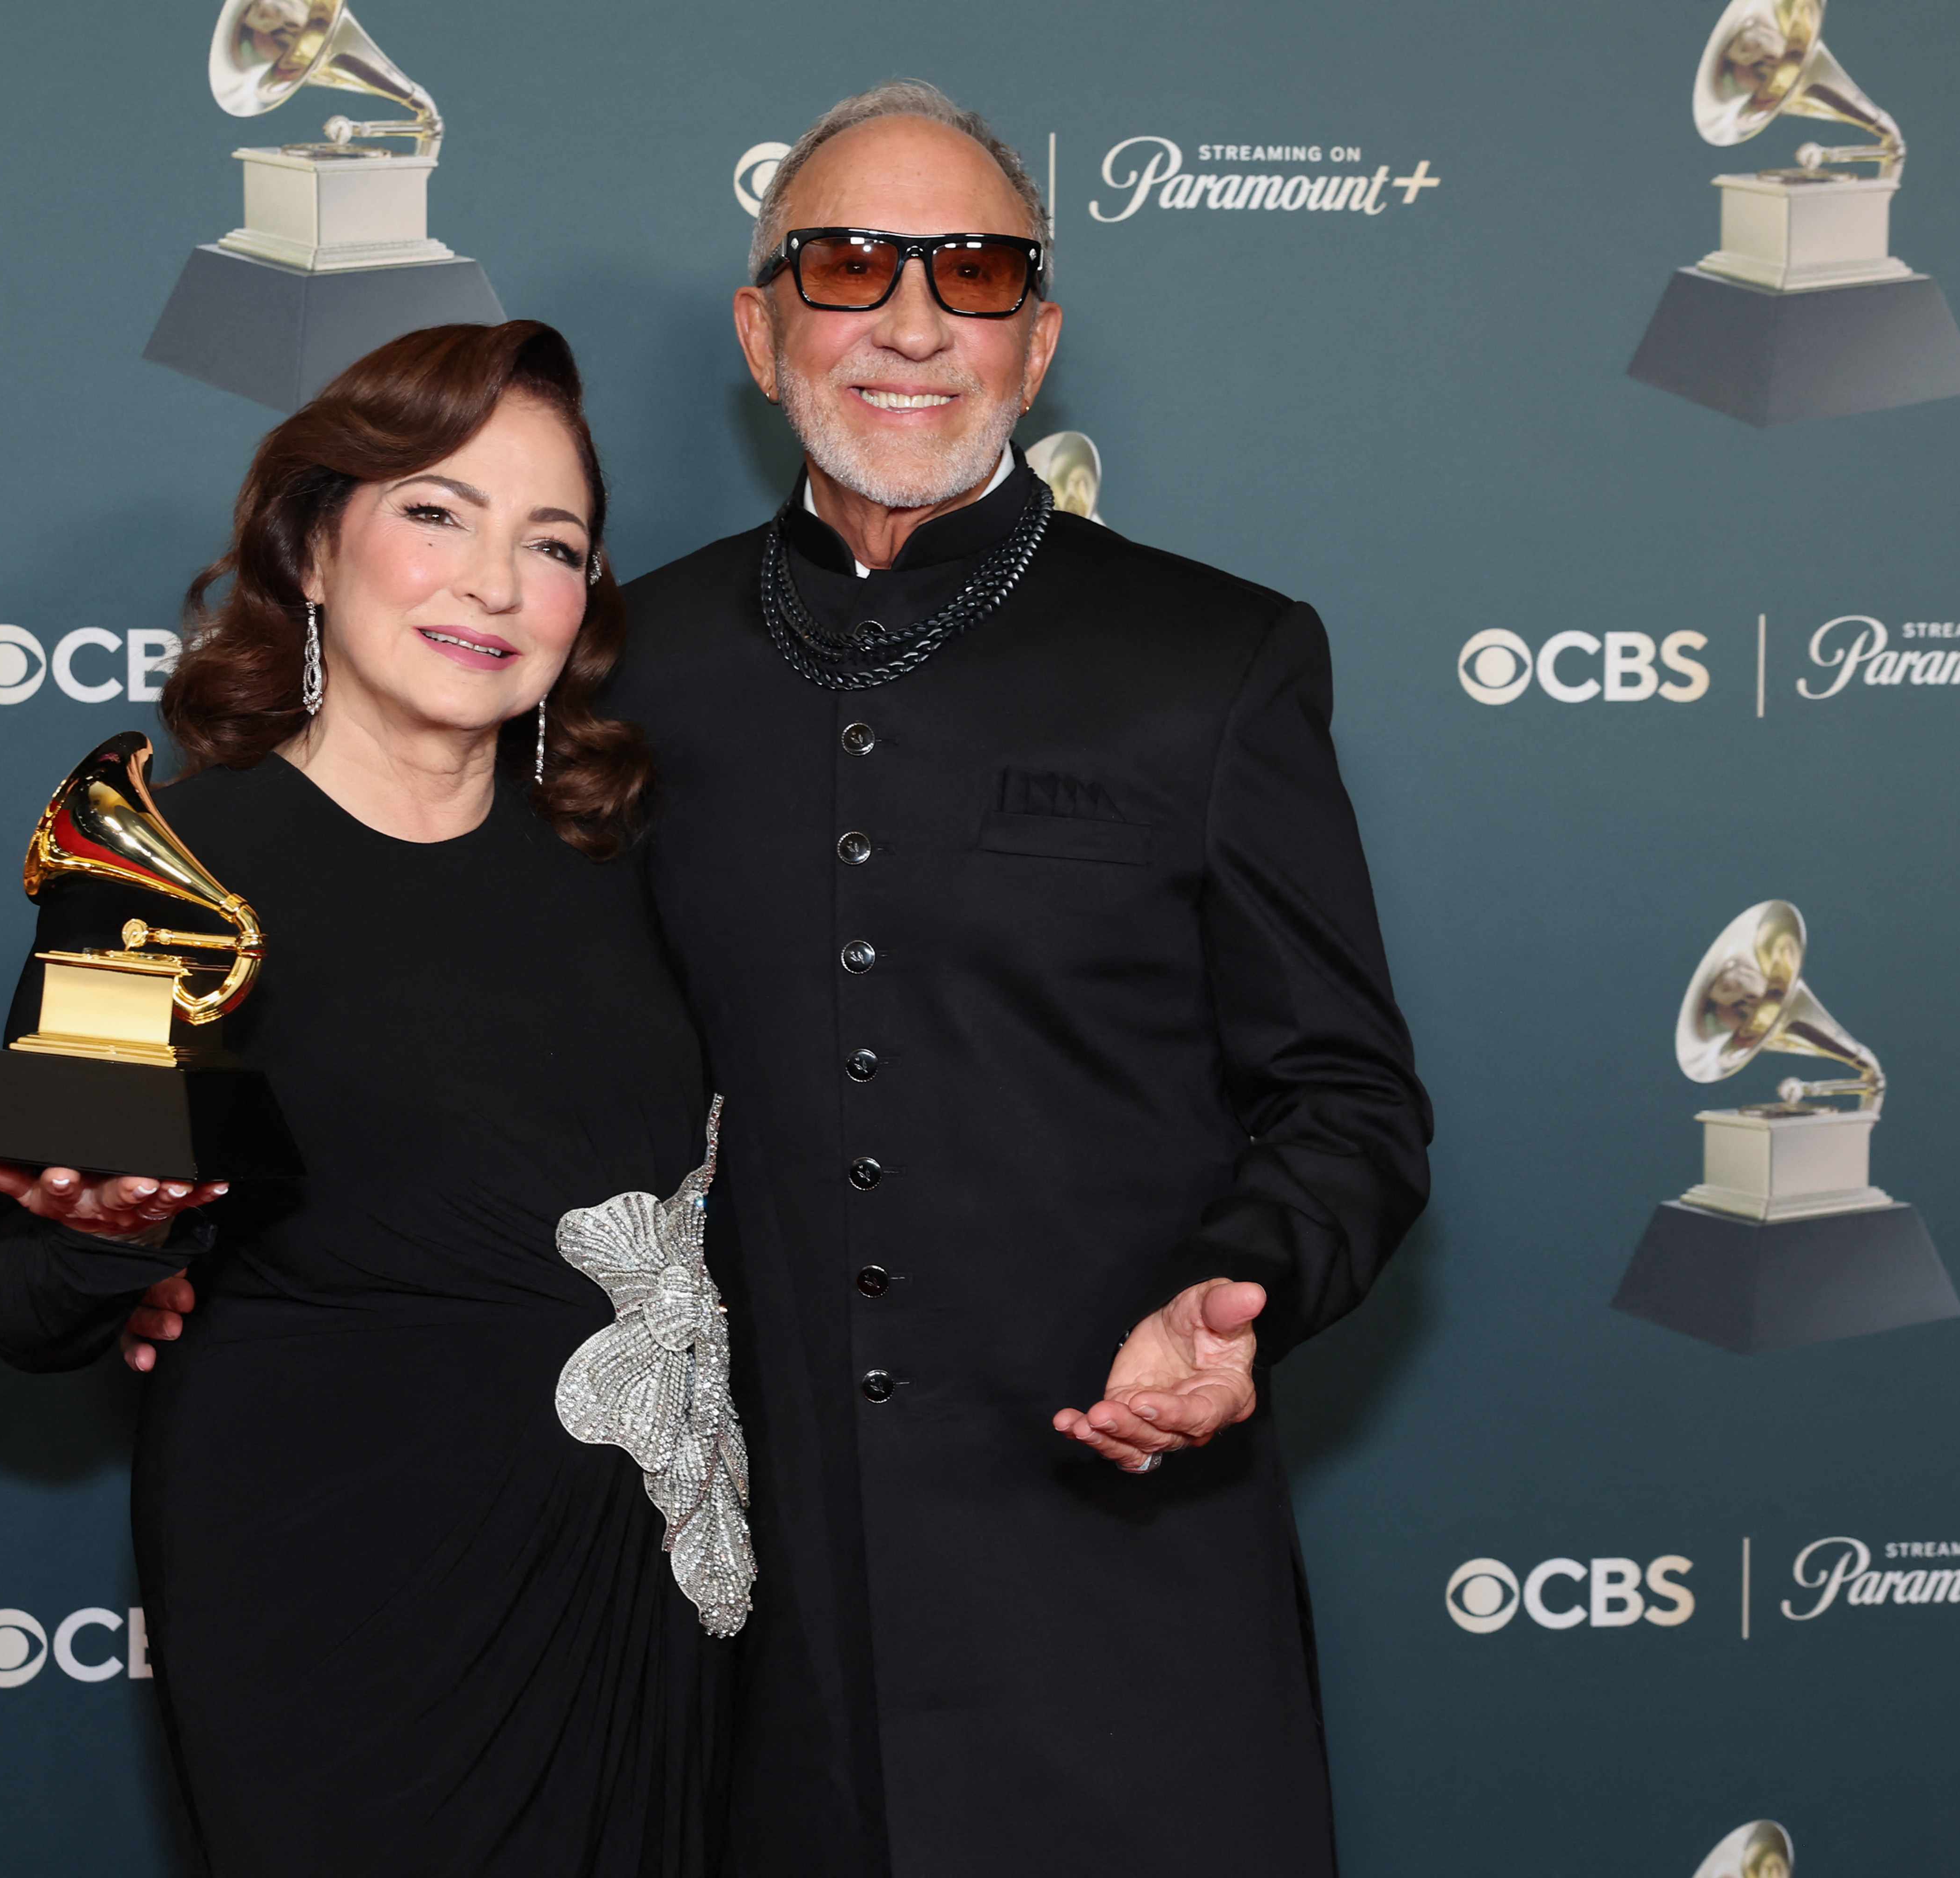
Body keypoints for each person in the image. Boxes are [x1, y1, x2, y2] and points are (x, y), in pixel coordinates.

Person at [610, 81, 1428, 1876]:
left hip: (1115, 1581)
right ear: (764, 332)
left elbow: (1349, 1104)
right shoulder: (619, 664)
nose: (911, 321)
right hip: (749, 1617)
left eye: (974, 272)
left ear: (1037, 342)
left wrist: (1243, 1289)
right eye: (846, 265)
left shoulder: (1215, 658)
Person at [0, 321, 739, 1877]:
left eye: (554, 543)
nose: (494, 583)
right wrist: (119, 1236)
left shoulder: (637, 856)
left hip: (642, 1579)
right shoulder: (164, 879)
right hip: (336, 1603)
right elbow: (16, 1295)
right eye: (436, 513)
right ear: (315, 549)